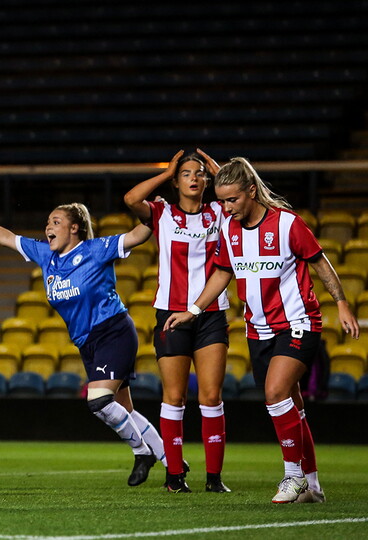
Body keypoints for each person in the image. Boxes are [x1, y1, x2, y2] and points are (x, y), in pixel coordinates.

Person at [164, 157, 360, 504]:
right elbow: (223, 273)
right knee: (293, 407)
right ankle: (313, 485)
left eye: (232, 200)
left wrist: (342, 302)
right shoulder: (228, 228)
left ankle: (293, 476)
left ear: (251, 192)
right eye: (222, 200)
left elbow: (320, 262)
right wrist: (192, 311)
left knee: (275, 393)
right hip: (259, 331)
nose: (226, 207)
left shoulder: (287, 224)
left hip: (299, 323)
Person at [0, 199, 167, 486]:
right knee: (123, 409)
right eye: (48, 222)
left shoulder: (95, 249)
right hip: (87, 342)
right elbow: (6, 237)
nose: (48, 226)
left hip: (113, 330)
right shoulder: (46, 256)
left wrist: (157, 213)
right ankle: (174, 463)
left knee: (99, 400)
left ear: (75, 228)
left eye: (56, 221)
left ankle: (142, 453)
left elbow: (138, 235)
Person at [124, 149, 231, 493]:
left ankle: (214, 479)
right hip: (170, 316)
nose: (195, 178)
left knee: (211, 397)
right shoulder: (162, 213)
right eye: (186, 173)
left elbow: (246, 195)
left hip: (211, 315)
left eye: (200, 173)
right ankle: (174, 476)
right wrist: (166, 170)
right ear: (176, 181)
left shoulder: (219, 211)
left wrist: (221, 172)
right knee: (174, 397)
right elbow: (130, 198)